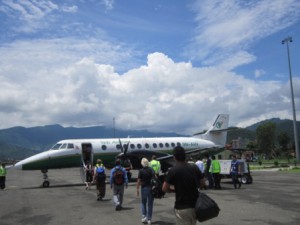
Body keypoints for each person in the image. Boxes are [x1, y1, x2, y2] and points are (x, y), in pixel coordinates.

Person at [162, 146, 203, 225]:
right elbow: (202, 183)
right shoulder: (194, 167)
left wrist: (172, 190)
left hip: (182, 207)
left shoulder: (173, 170)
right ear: (185, 156)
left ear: (174, 157)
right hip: (195, 205)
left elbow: (164, 188)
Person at [136, 158, 155, 225]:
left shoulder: (141, 171)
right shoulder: (151, 169)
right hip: (151, 188)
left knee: (143, 202)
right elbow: (155, 178)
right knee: (150, 204)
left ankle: (144, 217)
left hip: (143, 188)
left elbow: (138, 180)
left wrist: (137, 189)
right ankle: (149, 219)